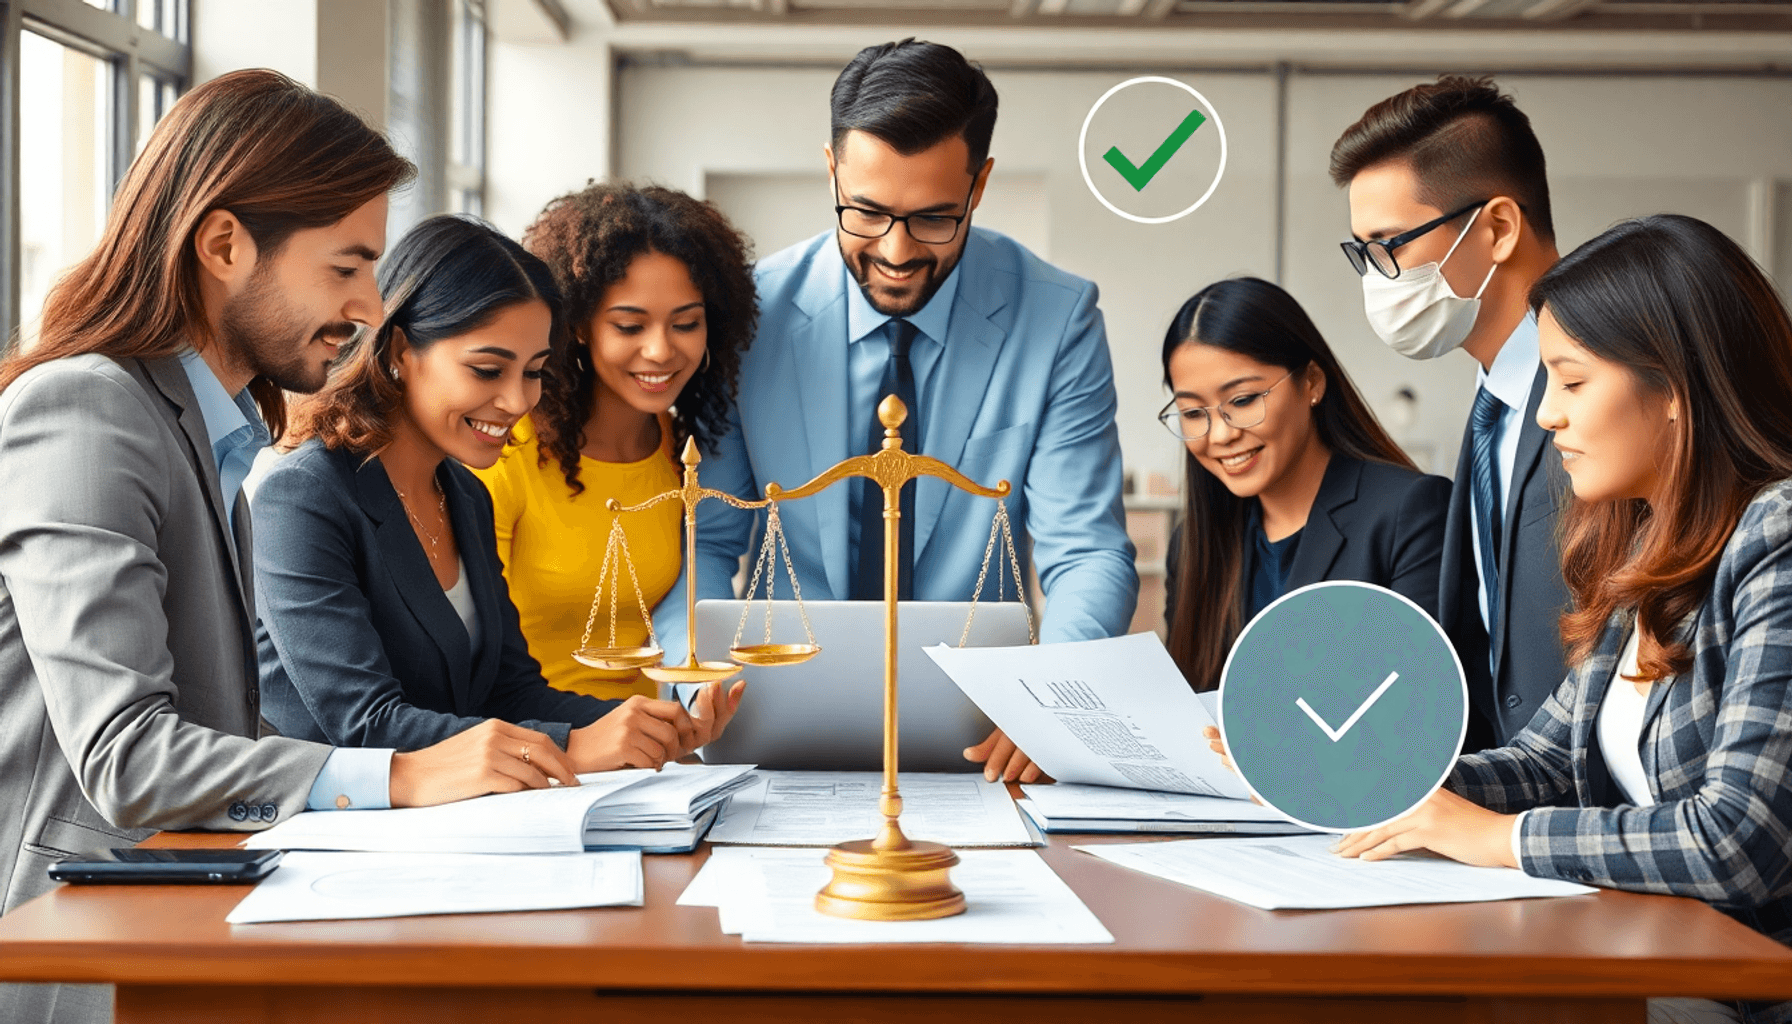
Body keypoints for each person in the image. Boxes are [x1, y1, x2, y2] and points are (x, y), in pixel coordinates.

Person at [0, 71, 557, 1024]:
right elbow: (130, 760)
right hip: (71, 945)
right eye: (345, 268)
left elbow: (218, 728)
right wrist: (407, 774)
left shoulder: (218, 434)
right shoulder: (87, 408)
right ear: (223, 244)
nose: (371, 305)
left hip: (180, 917)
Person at [1330, 215, 1792, 1023]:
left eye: (1572, 382)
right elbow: (1540, 764)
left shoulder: (1776, 536)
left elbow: (1738, 842)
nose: (1546, 415)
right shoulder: (1649, 542)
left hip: (1747, 992)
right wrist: (1358, 777)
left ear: (1677, 388)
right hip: (1656, 962)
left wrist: (1496, 840)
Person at [655, 39, 1138, 783]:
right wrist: (694, 678)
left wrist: (1054, 699)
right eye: (868, 213)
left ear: (979, 187)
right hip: (773, 722)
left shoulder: (1059, 317)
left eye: (934, 219)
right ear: (832, 170)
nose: (896, 251)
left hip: (986, 737)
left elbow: (1087, 552)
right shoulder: (749, 313)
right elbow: (711, 540)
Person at [253, 214, 742, 767]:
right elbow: (364, 724)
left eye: (533, 371)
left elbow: (509, 694)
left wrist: (649, 725)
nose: (517, 401)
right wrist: (575, 745)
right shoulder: (301, 499)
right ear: (397, 351)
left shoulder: (463, 494)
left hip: (455, 825)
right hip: (327, 835)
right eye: (488, 370)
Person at [1331, 75, 1568, 749]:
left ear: (1496, 228)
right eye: (1363, 252)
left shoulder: (1613, 393)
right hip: (1501, 796)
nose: (1378, 278)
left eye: (1391, 245)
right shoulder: (1493, 399)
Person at [470, 183, 757, 701]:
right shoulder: (507, 450)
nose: (660, 350)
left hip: (662, 754)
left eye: (686, 323)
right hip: (542, 744)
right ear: (578, 325)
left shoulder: (687, 455)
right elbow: (473, 656)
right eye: (629, 325)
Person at [1160, 278, 1450, 691]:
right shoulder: (1191, 545)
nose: (1220, 435)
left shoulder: (1410, 513)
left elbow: (1418, 705)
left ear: (1312, 382)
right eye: (1192, 412)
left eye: (1242, 401)